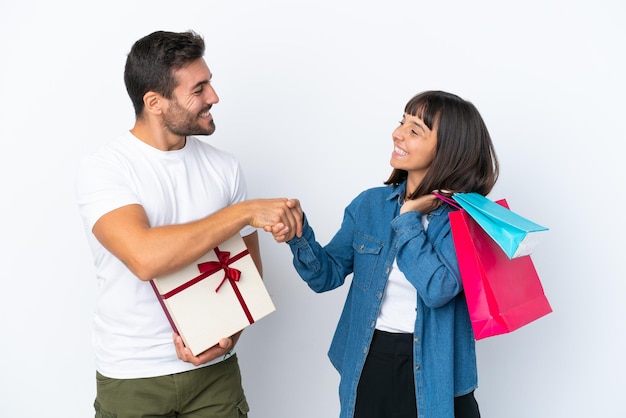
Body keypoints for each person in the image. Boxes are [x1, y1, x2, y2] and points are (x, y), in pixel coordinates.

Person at [75, 30, 302, 418]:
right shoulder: (106, 169)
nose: (213, 97)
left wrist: (228, 337)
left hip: (216, 377)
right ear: (154, 102)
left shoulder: (224, 167)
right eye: (199, 88)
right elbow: (144, 257)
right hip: (133, 377)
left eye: (210, 82)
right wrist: (244, 212)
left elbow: (248, 271)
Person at [270, 91, 499, 418]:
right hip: (370, 360)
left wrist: (408, 218)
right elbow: (326, 276)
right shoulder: (370, 205)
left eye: (415, 130)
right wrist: (298, 236)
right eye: (401, 122)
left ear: (449, 149)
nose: (397, 133)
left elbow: (438, 290)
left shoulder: (466, 220)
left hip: (436, 369)